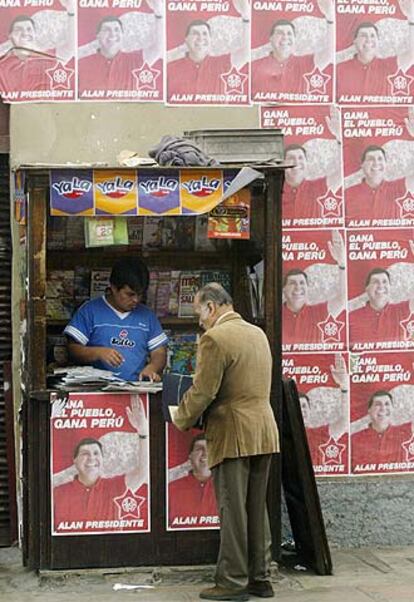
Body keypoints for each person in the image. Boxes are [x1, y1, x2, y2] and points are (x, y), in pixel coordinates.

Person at [171, 283, 279, 601]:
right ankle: (260, 578)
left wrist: (181, 418)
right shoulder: (257, 333)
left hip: (232, 432)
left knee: (232, 510)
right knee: (256, 508)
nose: (199, 321)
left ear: (212, 307)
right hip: (263, 429)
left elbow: (203, 391)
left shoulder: (215, 339)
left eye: (198, 313)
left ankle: (232, 581)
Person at [64, 257, 168, 381]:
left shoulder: (147, 316)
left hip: (135, 390)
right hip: (96, 391)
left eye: (140, 294)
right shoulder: (90, 311)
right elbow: (72, 350)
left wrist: (152, 367)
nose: (136, 300)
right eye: (130, 294)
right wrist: (98, 353)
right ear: (113, 288)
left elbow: (159, 352)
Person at [53, 396, 149, 530]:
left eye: (96, 453)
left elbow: (142, 472)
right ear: (74, 460)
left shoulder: (115, 487)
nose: (92, 458)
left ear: (103, 460)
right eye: (85, 454)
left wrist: (143, 432)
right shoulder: (58, 492)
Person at [167, 0, 250, 99]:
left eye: (205, 34)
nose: (201, 38)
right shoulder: (171, 67)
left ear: (210, 39)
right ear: (186, 39)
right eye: (195, 33)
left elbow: (246, 54)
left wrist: (246, 17)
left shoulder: (222, 64)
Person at [78, 1, 163, 94]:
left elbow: (158, 49)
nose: (112, 34)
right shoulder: (81, 64)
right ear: (98, 35)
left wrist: (159, 14)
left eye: (117, 29)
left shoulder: (135, 61)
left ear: (122, 34)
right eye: (106, 30)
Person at [251, 5, 334, 101]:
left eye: (289, 33)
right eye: (280, 33)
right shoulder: (255, 66)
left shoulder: (305, 63)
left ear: (295, 39)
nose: (285, 37)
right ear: (271, 38)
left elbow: (329, 53)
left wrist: (330, 18)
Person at [336, 6, 414, 100]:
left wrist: (411, 18)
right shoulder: (339, 69)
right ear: (355, 41)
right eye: (363, 35)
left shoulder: (389, 66)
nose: (369, 39)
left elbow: (412, 54)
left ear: (378, 41)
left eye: (373, 36)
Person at [283, 231, 346, 345]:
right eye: (292, 283)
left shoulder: (318, 313)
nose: (298, 287)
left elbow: (342, 300)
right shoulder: (276, 316)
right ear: (284, 289)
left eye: (302, 283)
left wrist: (342, 263)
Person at [0, 2, 75, 94]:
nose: (25, 33)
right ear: (10, 36)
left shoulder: (48, 61)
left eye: (29, 29)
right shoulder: (4, 59)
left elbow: (70, 48)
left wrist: (72, 12)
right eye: (18, 29)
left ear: (34, 33)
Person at [283, 124, 342, 226]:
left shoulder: (318, 187)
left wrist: (339, 138)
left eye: (300, 158)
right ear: (283, 163)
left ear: (306, 162)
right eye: (291, 158)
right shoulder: (274, 191)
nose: (296, 162)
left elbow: (342, 171)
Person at [345, 145, 414, 225]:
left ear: (385, 163)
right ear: (362, 165)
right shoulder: (347, 194)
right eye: (370, 159)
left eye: (380, 159)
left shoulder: (399, 188)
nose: (376, 163)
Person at [299, 355, 348, 467]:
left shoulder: (320, 433)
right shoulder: (284, 432)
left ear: (310, 409)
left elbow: (344, 421)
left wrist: (344, 386)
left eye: (304, 406)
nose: (302, 410)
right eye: (298, 406)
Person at [349, 267, 414, 347]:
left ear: (390, 287)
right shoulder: (351, 317)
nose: (380, 286)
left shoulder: (402, 310)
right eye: (375, 282)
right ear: (367, 288)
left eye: (384, 282)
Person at [351, 390, 412, 467]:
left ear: (393, 408)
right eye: (378, 404)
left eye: (387, 404)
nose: (383, 408)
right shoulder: (354, 439)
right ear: (369, 410)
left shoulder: (406, 433)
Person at [168, 433, 218, 526]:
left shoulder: (227, 489)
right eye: (199, 449)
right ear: (190, 456)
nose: (205, 454)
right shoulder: (171, 490)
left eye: (209, 449)